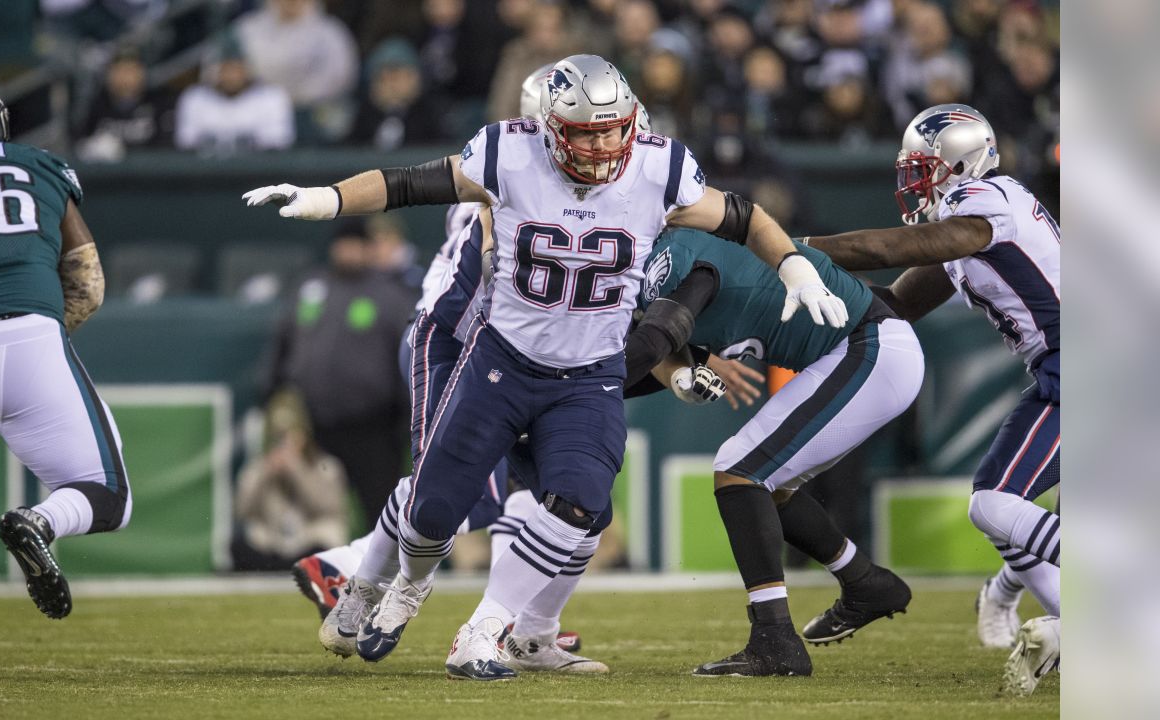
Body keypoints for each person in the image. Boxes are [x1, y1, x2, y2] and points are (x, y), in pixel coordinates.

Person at [244, 53, 848, 681]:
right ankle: (387, 582)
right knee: (436, 513)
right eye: (588, 130)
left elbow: (742, 217)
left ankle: (490, 630)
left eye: (615, 127)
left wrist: (793, 265)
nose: (605, 143)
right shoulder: (507, 157)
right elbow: (406, 183)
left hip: (588, 373)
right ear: (550, 127)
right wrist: (325, 198)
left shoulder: (659, 167)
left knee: (584, 502)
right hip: (496, 358)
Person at [292, 65, 633, 674]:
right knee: (460, 486)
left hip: (505, 346)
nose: (601, 150)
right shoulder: (511, 170)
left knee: (545, 495)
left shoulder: (584, 178)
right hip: (454, 336)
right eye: (583, 133)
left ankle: (522, 624)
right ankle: (353, 574)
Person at [805, 103, 1060, 696]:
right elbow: (892, 305)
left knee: (994, 503)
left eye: (924, 168)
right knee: (1005, 504)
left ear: (962, 163)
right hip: (1061, 367)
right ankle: (1011, 601)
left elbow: (894, 248)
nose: (914, 181)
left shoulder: (988, 202)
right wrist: (795, 296)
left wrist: (789, 247)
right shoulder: (965, 231)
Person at [626, 229, 923, 676]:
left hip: (870, 348)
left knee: (739, 469)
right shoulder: (655, 261)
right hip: (863, 351)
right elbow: (653, 351)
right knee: (770, 484)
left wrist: (570, 387)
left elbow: (656, 337)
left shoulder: (675, 251)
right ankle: (865, 582)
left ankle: (774, 638)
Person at [0, 76, 132, 619]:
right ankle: (39, 522)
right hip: (30, 339)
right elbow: (87, 282)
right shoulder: (38, 165)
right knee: (106, 494)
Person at [262, 220, 417, 528]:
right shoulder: (311, 289)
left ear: (368, 249)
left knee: (382, 512)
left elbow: (408, 356)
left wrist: (406, 420)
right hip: (313, 429)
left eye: (356, 244)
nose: (348, 252)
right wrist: (269, 390)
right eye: (343, 244)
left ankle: (387, 572)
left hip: (373, 429)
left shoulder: (390, 296)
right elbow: (282, 343)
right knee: (311, 514)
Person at [231, 390, 348, 570]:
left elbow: (325, 507)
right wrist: (266, 473)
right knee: (240, 545)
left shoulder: (326, 465)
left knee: (328, 535)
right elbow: (241, 511)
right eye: (278, 437)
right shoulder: (259, 467)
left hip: (309, 540)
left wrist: (296, 469)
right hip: (274, 544)